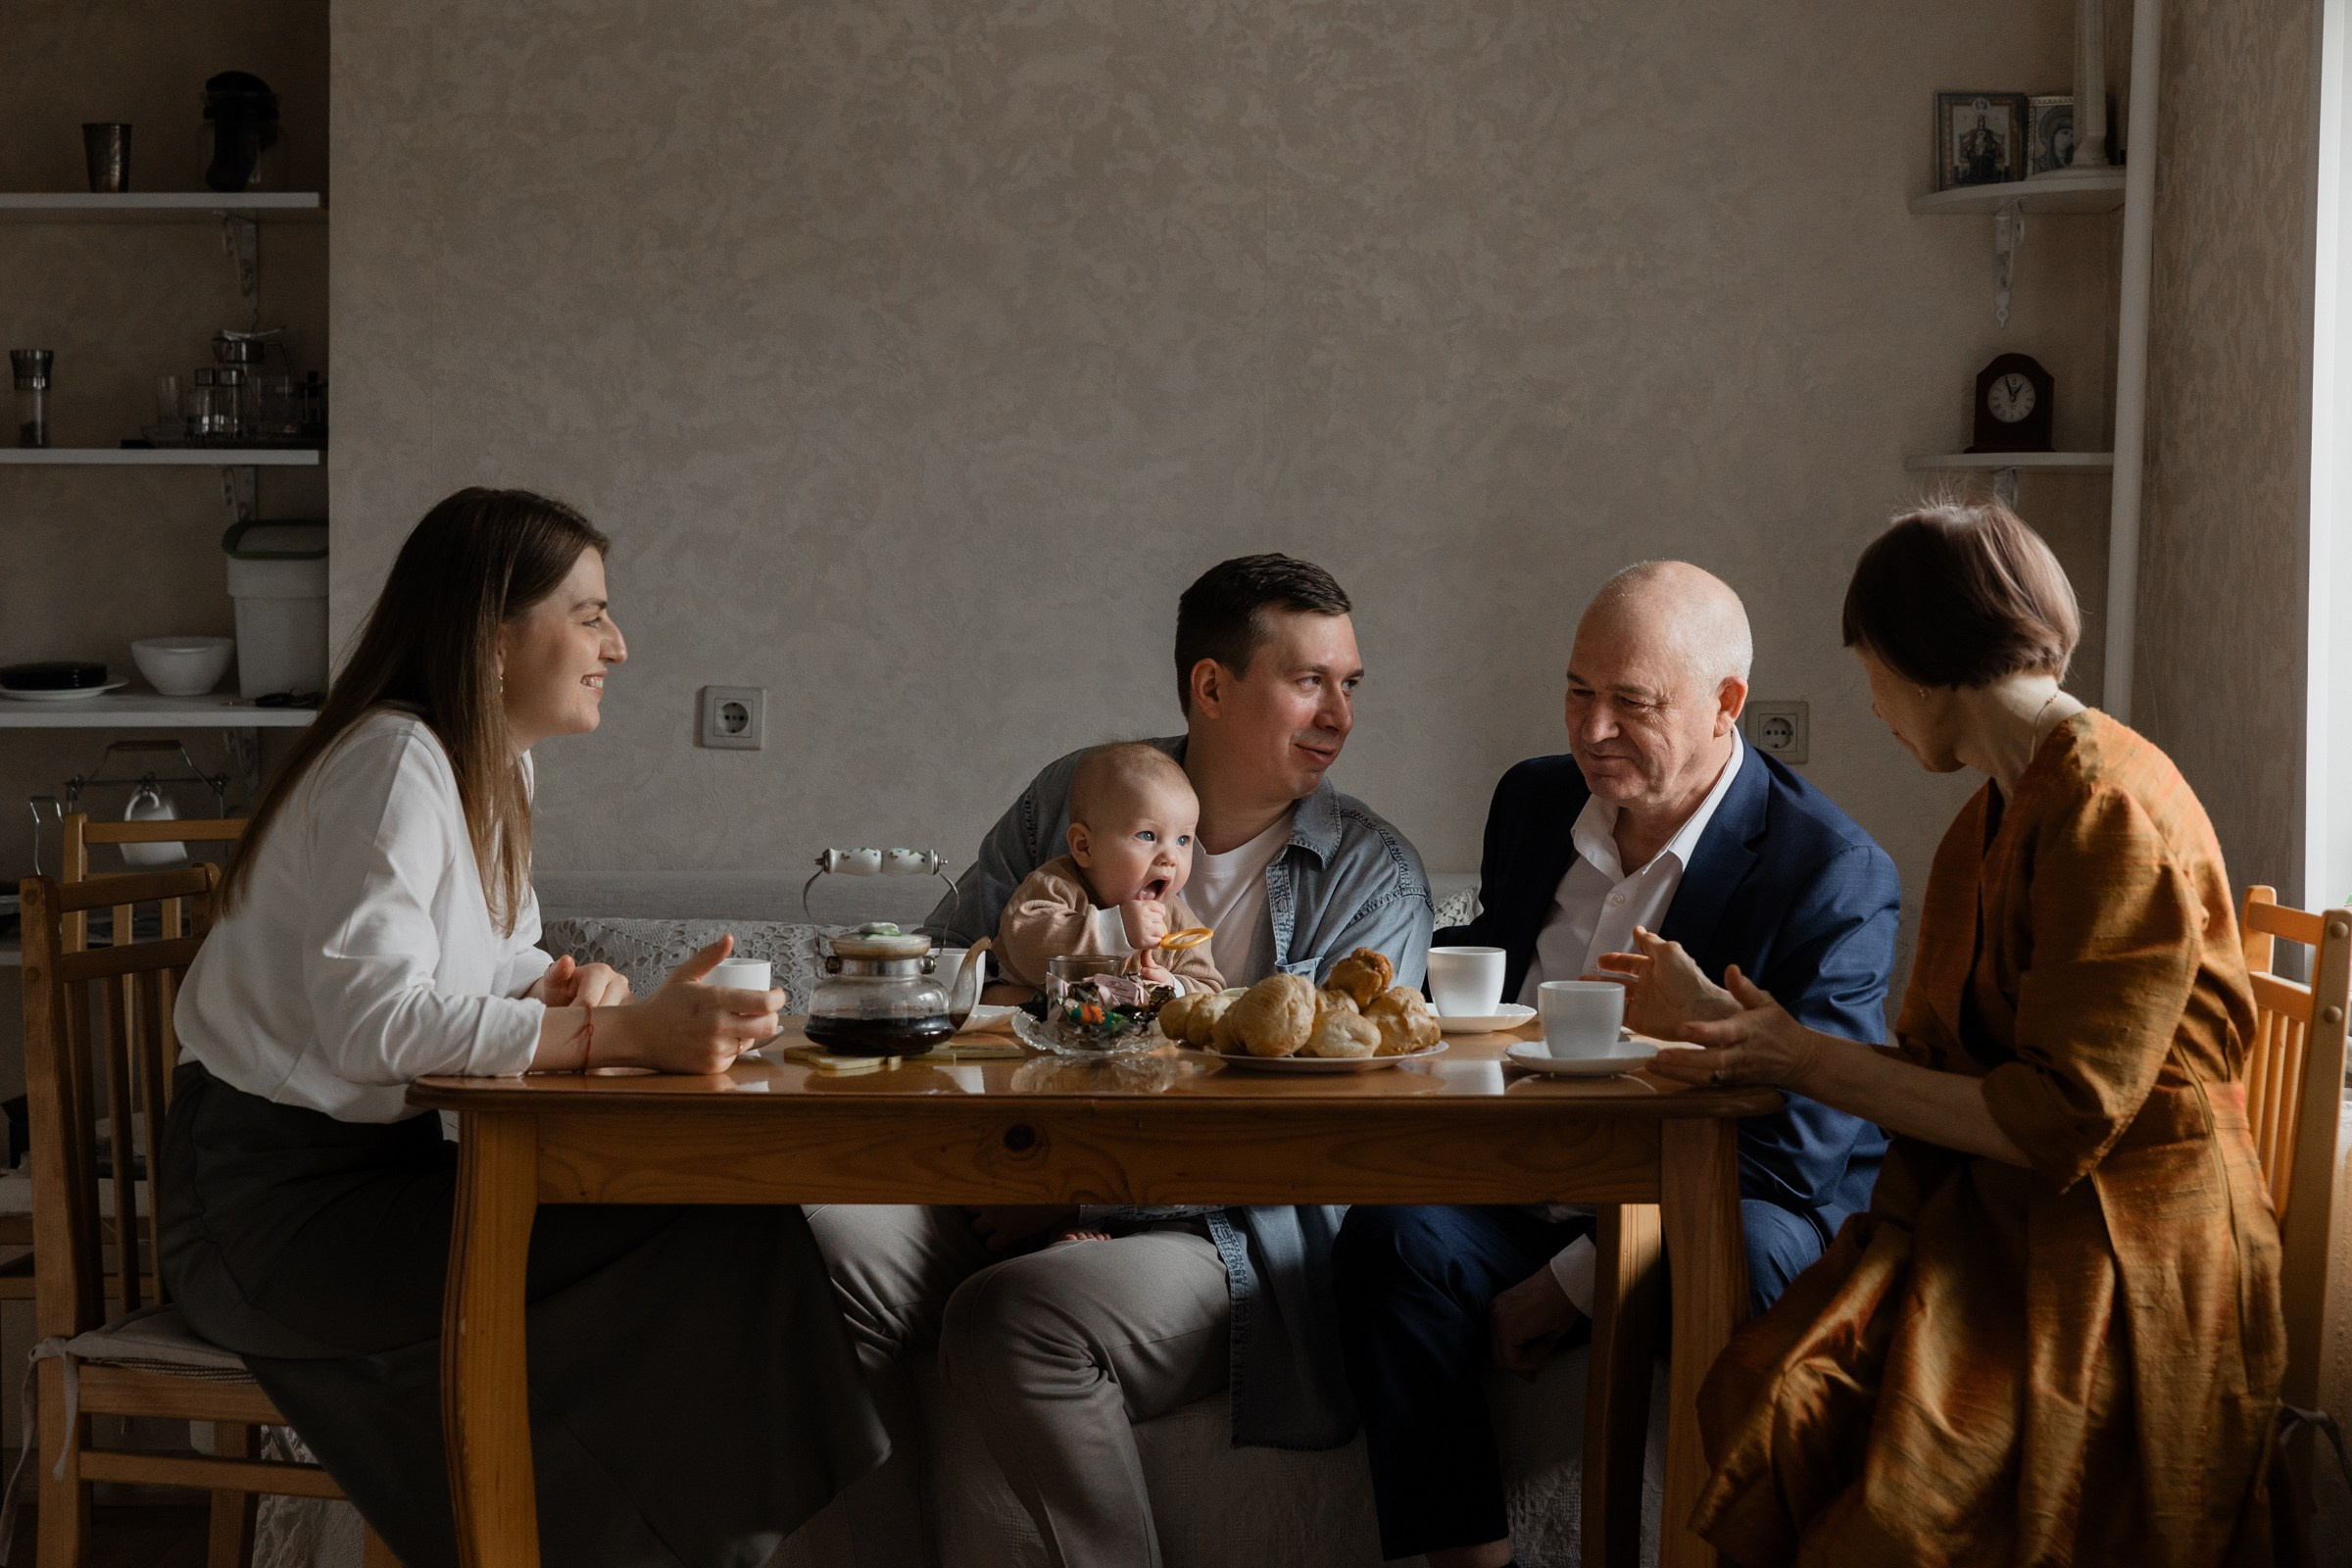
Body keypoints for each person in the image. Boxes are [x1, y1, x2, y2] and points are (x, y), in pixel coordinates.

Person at [160, 488, 888, 1567]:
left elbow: (473, 960)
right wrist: (624, 1037)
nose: (619, 645)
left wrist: (562, 984)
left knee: (732, 1224)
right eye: (590, 614)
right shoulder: (394, 760)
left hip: (372, 1183)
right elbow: (370, 1024)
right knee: (714, 1240)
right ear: (494, 634)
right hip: (272, 1217)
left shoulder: (488, 764)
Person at [1648, 503, 2285, 1564]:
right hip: (2009, 1214)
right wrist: (1760, 1035)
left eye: (1872, 672)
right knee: (1773, 1389)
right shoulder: (1994, 809)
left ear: (1923, 657)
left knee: (1892, 1510)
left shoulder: (2106, 806)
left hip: (2125, 1245)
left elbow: (2058, 1121)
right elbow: (1956, 1074)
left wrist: (1798, 1055)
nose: (1872, 704)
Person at [806, 553, 1433, 1568]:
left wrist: (1092, 1200)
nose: (1339, 715)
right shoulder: (1080, 793)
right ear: (1212, 686)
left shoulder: (1375, 880)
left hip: (1234, 1232)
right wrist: (1022, 1156)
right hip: (1005, 1171)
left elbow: (1324, 1136)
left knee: (1013, 1316)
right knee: (821, 1243)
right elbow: (938, 987)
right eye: (1309, 681)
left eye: (1349, 684)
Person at [1332, 561, 1900, 1568]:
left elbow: (1804, 1151)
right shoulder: (1532, 802)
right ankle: (1467, 1553)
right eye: (1577, 692)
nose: (1591, 731)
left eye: (1630, 703)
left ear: (1728, 704)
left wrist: (1573, 1285)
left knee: (1762, 1245)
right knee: (1390, 1236)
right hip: (1531, 1176)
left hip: (1716, 1197)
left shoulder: (1829, 870)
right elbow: (1489, 1019)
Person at [992, 741, 1223, 996]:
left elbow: (1210, 989)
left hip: (1124, 1034)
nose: (1170, 857)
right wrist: (1115, 930)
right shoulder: (1055, 886)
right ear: (1085, 847)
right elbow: (1025, 946)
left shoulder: (1178, 921)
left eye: (1183, 840)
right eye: (1147, 835)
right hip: (1033, 1029)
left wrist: (1173, 987)